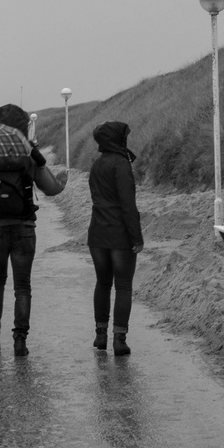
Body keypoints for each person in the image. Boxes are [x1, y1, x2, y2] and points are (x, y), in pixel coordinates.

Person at [0, 103, 68, 357]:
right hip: (24, 228)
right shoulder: (29, 154)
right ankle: (20, 340)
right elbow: (51, 188)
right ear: (22, 127)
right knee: (22, 286)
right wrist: (61, 180)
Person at [88, 121, 143, 355]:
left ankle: (101, 335)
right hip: (119, 235)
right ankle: (119, 339)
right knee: (123, 286)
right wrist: (137, 237)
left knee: (102, 283)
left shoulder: (96, 165)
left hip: (97, 233)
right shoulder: (121, 165)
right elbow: (128, 205)